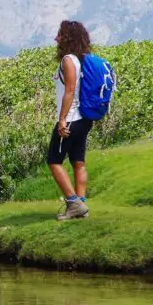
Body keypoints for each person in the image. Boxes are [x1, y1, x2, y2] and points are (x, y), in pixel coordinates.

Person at [48, 20, 96, 221]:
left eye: (59, 35)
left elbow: (69, 91)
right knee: (78, 162)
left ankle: (73, 202)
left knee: (54, 161)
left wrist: (61, 120)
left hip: (71, 119)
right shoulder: (83, 59)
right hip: (84, 119)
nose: (56, 38)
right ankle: (81, 204)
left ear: (67, 38)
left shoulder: (68, 60)